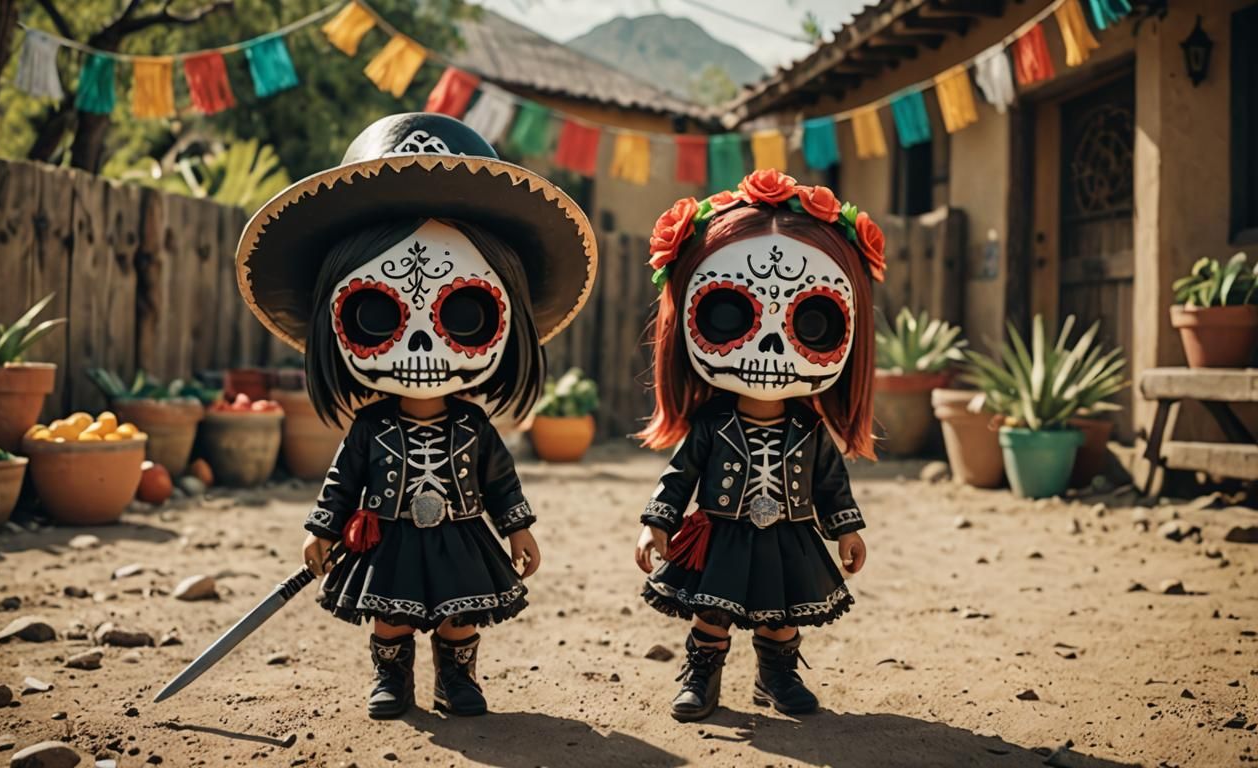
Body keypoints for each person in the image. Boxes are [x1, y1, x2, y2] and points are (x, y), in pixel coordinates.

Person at [234, 113, 596, 718]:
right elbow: (343, 481)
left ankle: (456, 680)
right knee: (390, 615)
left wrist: (518, 527)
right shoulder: (370, 428)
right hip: (390, 536)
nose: (421, 346)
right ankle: (392, 679)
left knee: (460, 614)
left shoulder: (474, 429)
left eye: (466, 314)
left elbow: (500, 481)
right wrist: (322, 528)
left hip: (460, 533)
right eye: (376, 315)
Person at [631, 170, 884, 722]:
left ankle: (777, 676)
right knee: (711, 612)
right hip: (720, 532)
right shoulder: (711, 426)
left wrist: (846, 529)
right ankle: (702, 677)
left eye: (811, 321)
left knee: (781, 613)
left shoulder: (809, 429)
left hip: (789, 534)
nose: (770, 349)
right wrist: (657, 522)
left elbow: (830, 483)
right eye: (729, 313)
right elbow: (679, 476)